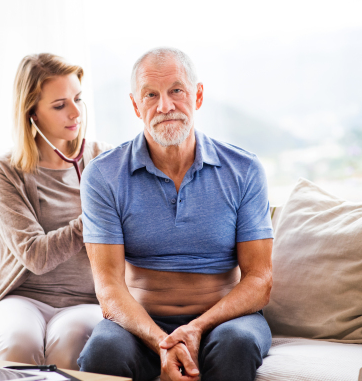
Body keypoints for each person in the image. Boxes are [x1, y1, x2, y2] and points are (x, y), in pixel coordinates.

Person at [77, 47, 274, 381]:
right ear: (136, 105)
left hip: (225, 322)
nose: (165, 106)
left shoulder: (244, 169)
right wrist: (163, 342)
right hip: (140, 325)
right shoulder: (103, 175)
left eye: (176, 91)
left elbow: (260, 280)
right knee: (102, 352)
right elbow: (108, 288)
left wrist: (196, 328)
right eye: (151, 95)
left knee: (235, 343)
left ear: (197, 96)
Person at [0, 53, 110, 371]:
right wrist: (96, 216)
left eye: (78, 98)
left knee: (70, 345)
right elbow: (36, 257)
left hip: (84, 300)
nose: (76, 112)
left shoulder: (102, 160)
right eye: (59, 104)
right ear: (32, 113)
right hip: (21, 297)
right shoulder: (6, 172)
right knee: (17, 344)